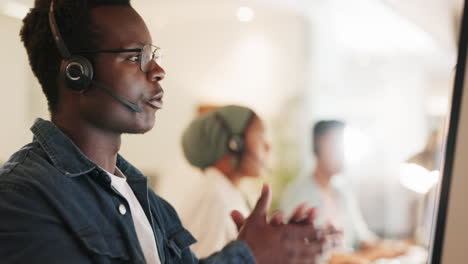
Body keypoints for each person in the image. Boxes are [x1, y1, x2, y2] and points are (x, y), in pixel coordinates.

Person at [0, 0, 328, 263]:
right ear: (76, 74)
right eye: (134, 56)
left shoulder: (145, 198)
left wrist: (271, 250)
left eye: (151, 55)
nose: (157, 71)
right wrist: (247, 257)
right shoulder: (20, 197)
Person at [179, 105, 270, 257]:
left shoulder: (228, 192)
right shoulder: (213, 198)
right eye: (260, 136)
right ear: (235, 143)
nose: (268, 146)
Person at [280, 120, 378, 251]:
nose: (343, 154)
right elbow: (298, 251)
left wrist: (392, 248)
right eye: (336, 146)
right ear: (317, 146)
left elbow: (362, 237)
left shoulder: (343, 192)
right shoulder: (297, 195)